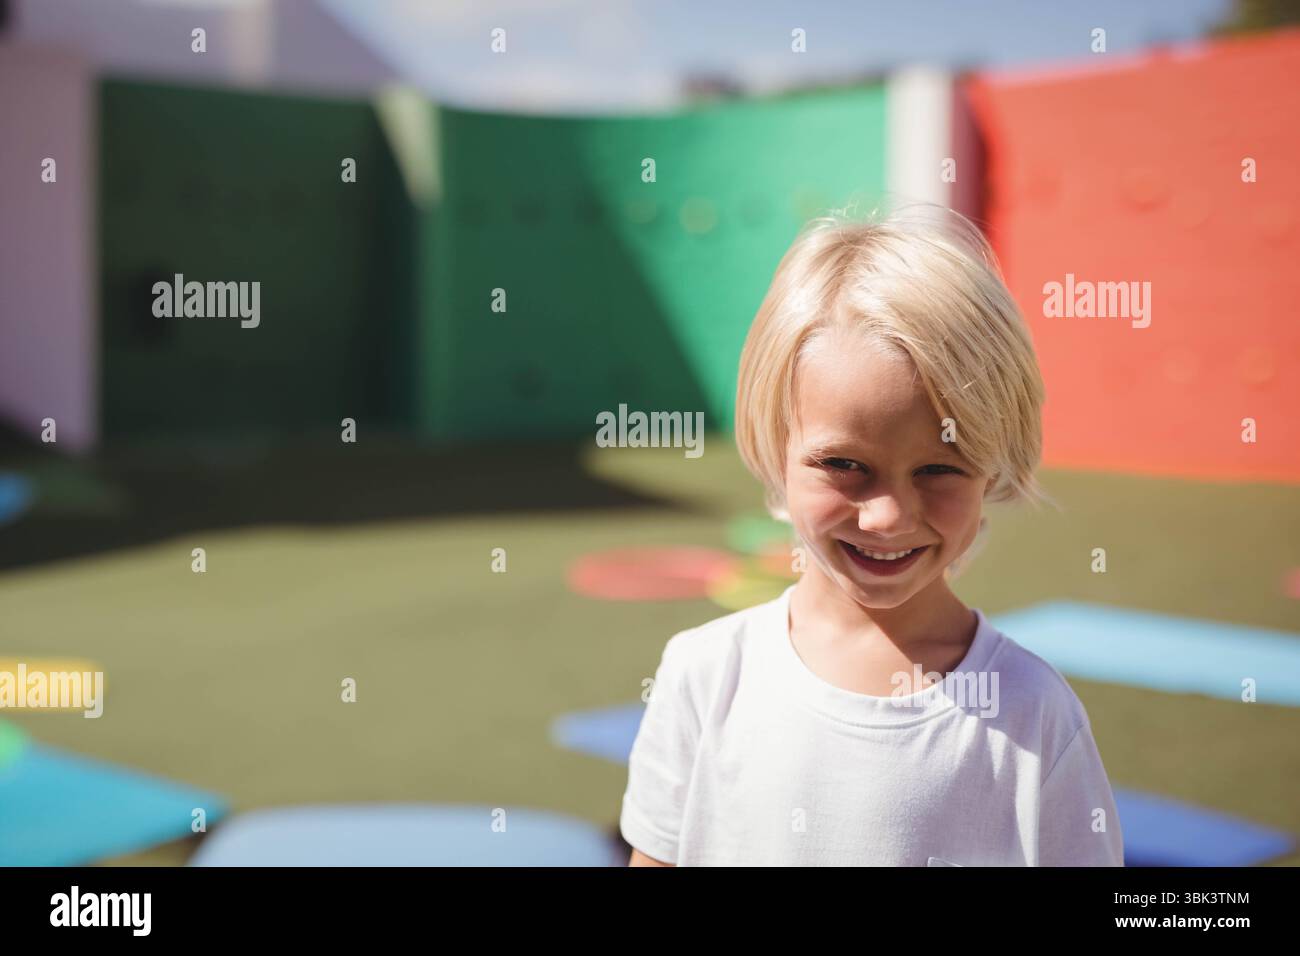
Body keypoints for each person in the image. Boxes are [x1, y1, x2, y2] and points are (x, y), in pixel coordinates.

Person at [620, 205, 1124, 866]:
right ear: (777, 444)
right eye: (844, 465)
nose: (886, 516)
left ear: (993, 464)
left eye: (940, 468)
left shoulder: (1033, 715)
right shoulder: (703, 676)